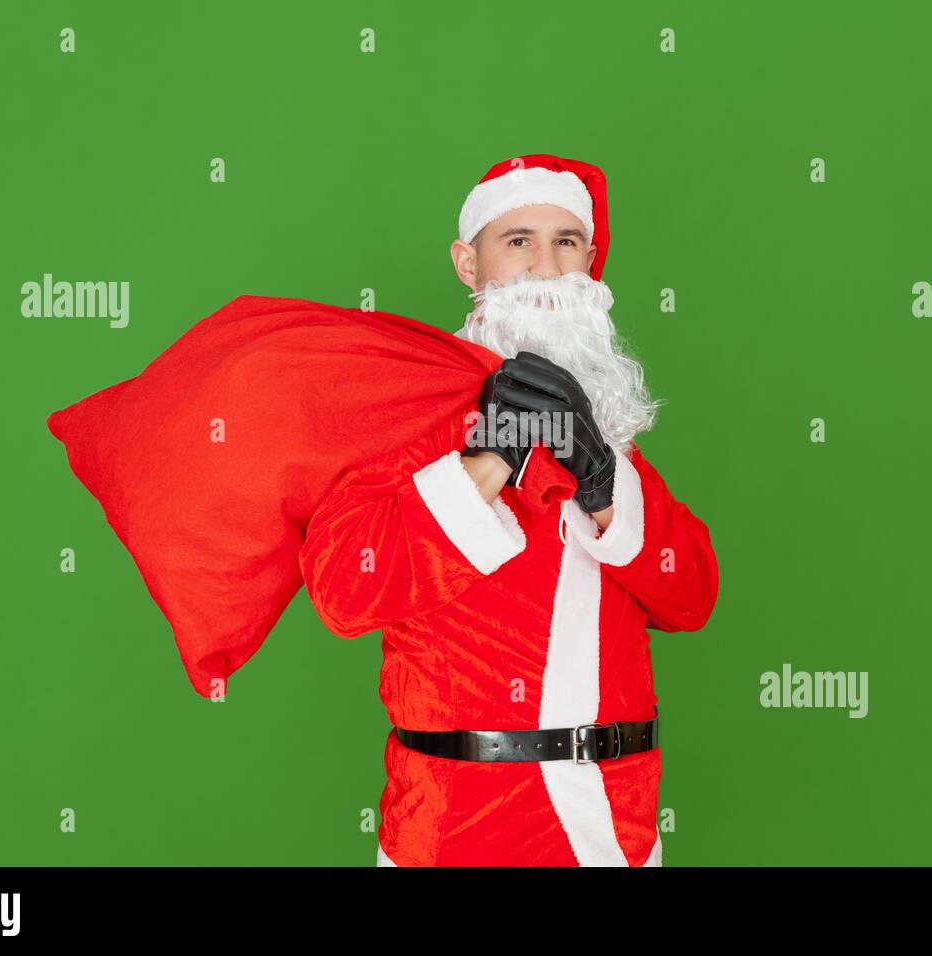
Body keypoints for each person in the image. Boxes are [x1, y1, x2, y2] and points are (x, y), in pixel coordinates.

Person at [298, 154, 720, 866]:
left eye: (567, 242)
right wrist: (488, 458)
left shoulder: (609, 428)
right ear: (469, 263)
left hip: (609, 827)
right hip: (455, 825)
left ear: (591, 261)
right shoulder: (407, 409)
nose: (546, 266)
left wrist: (603, 481)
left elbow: (692, 596)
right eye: (518, 241)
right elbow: (345, 593)